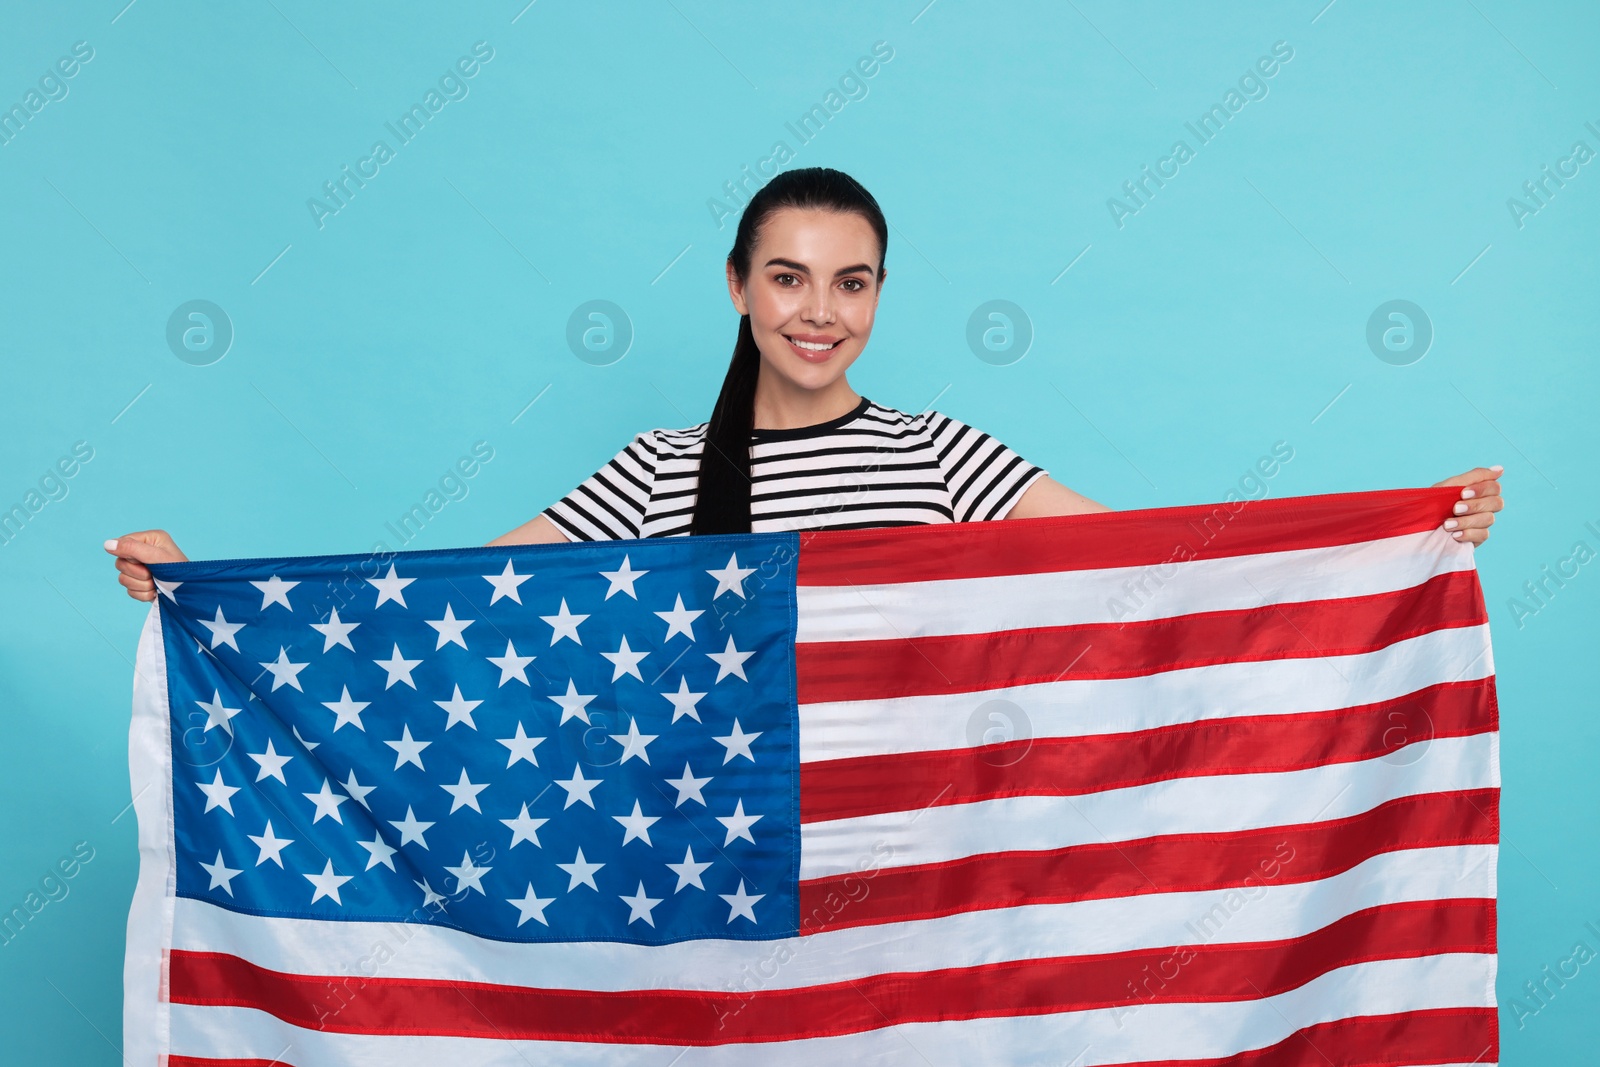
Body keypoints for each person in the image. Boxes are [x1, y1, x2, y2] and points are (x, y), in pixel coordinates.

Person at [105, 167, 1504, 598]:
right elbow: (463, 589)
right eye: (788, 278)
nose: (818, 311)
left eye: (851, 282)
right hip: (719, 876)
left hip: (916, 886)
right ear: (737, 288)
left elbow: (1150, 561)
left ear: (880, 297)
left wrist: (1400, 541)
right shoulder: (660, 470)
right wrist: (205, 588)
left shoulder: (948, 457)